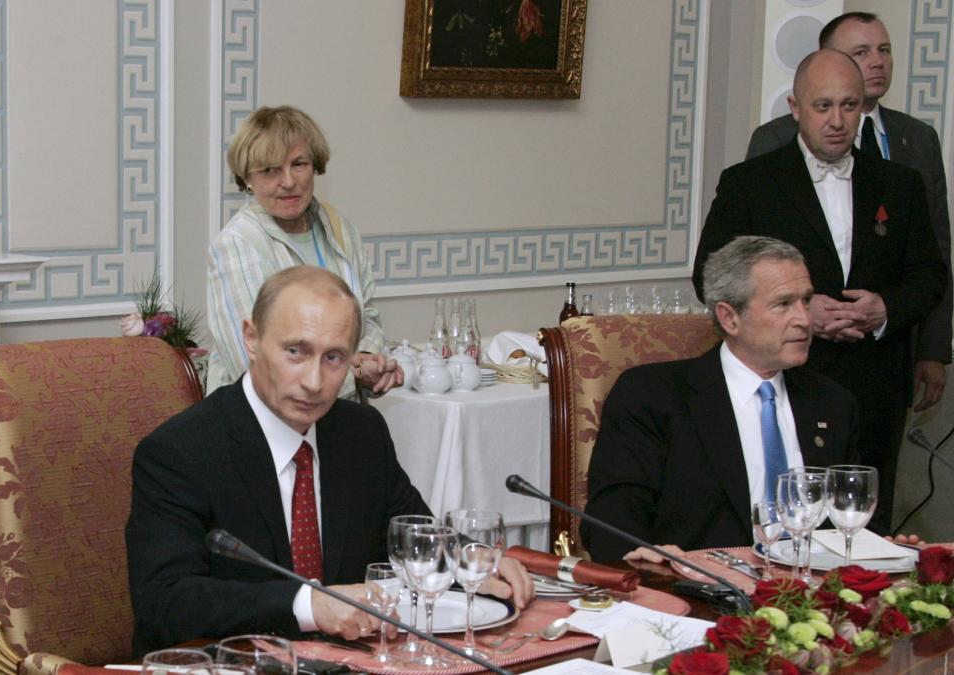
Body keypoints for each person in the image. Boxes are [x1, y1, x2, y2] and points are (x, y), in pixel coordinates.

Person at [127, 266, 533, 655]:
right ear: (251, 338)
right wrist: (308, 604)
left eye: (334, 358)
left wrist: (470, 560)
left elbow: (412, 537)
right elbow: (165, 601)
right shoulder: (180, 451)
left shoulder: (361, 433)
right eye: (295, 352)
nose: (314, 382)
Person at [693, 49, 946, 534]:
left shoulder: (901, 184)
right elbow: (710, 274)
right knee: (780, 517)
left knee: (865, 527)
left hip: (875, 382)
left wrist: (885, 308)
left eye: (849, 107)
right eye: (822, 106)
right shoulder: (750, 183)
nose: (837, 121)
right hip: (785, 378)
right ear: (795, 108)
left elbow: (930, 275)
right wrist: (806, 308)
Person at [584, 237, 859, 561]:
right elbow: (611, 519)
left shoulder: (833, 402)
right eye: (784, 304)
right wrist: (643, 557)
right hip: (701, 594)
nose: (804, 319)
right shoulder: (653, 396)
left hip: (814, 595)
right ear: (730, 318)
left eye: (806, 300)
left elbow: (855, 516)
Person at [747, 11, 952, 414]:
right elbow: (744, 255)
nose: (876, 61)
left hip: (885, 359)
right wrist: (801, 307)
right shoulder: (771, 146)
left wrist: (932, 347)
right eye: (861, 52)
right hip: (793, 361)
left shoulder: (917, 140)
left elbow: (934, 254)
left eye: (884, 50)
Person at [207, 105, 400, 399]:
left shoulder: (341, 229)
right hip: (259, 429)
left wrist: (368, 358)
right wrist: (354, 374)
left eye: (298, 164)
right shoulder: (238, 242)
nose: (288, 181)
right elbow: (256, 364)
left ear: (316, 166)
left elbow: (367, 317)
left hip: (338, 417)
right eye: (270, 170)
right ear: (247, 178)